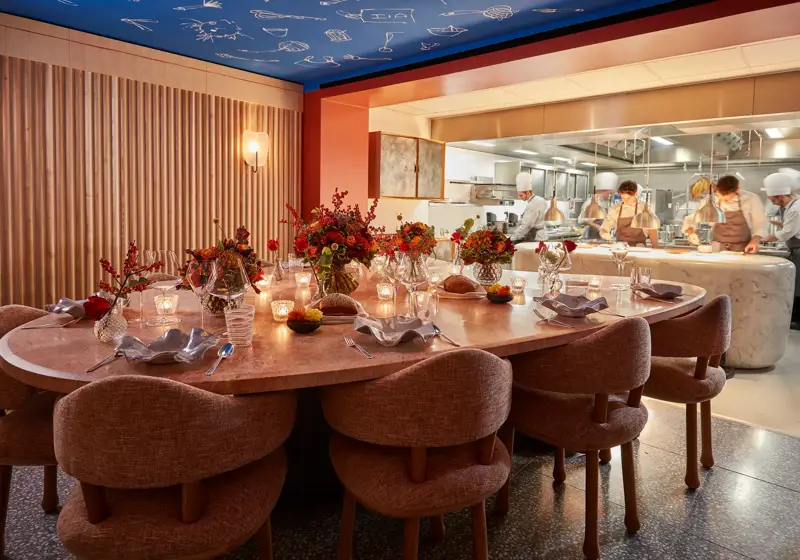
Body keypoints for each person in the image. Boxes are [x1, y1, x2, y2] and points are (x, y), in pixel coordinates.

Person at [683, 175, 765, 253]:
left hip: (743, 248)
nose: (723, 199)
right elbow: (690, 219)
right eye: (721, 195)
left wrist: (754, 242)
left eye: (727, 196)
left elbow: (760, 224)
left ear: (737, 190)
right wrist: (691, 233)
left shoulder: (751, 199)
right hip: (717, 248)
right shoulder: (710, 200)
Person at [762, 172, 800, 329]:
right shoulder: (792, 207)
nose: (775, 204)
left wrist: (761, 239)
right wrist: (773, 222)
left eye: (774, 200)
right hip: (796, 248)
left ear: (782, 196)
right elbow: (789, 227)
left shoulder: (796, 209)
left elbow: (786, 233)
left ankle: (797, 320)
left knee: (798, 287)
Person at [599, 180, 659, 247]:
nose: (626, 200)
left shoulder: (643, 208)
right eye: (623, 198)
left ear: (635, 194)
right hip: (620, 248)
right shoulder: (615, 209)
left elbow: (652, 230)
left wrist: (655, 245)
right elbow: (603, 228)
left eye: (629, 198)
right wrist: (604, 234)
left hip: (639, 248)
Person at [510, 171, 548, 244]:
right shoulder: (540, 199)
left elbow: (527, 225)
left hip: (535, 238)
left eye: (521, 195)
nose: (520, 198)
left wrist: (513, 237)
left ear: (527, 192)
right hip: (542, 236)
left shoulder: (533, 204)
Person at [578, 172, 617, 241]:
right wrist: (599, 227)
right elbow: (582, 220)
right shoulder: (590, 203)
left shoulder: (607, 202)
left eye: (611, 193)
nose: (609, 195)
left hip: (605, 236)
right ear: (601, 191)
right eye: (609, 193)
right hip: (593, 236)